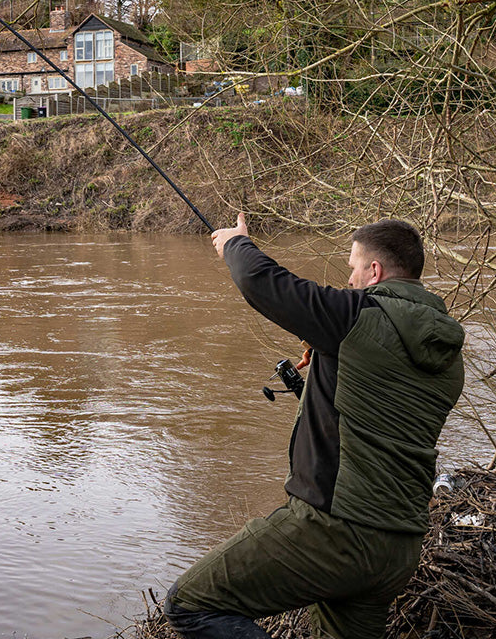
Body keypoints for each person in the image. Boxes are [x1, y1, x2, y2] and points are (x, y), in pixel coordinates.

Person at [164, 214, 465, 639]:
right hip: (397, 547)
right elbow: (377, 409)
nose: (349, 281)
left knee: (190, 602)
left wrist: (236, 244)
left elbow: (265, 283)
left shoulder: (359, 317)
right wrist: (333, 359)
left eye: (352, 269)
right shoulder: (447, 354)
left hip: (334, 532)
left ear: (374, 271)